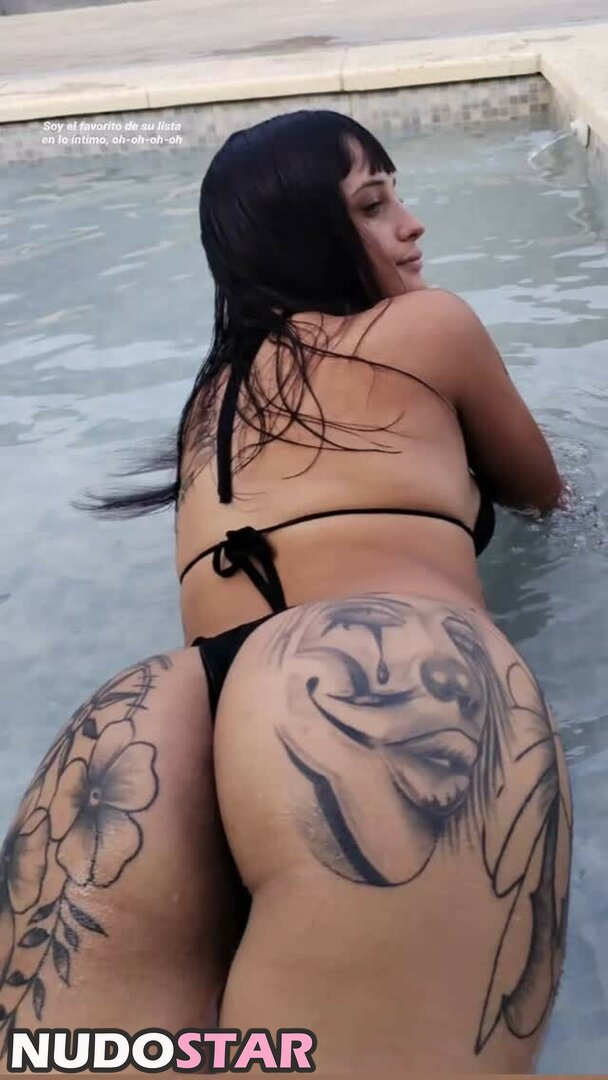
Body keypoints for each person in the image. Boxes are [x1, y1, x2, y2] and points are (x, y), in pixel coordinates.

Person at [0, 110, 572, 1075]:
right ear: (307, 234)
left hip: (151, 718)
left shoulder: (211, 400)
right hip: (379, 680)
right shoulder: (429, 324)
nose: (411, 225)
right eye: (375, 204)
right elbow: (547, 498)